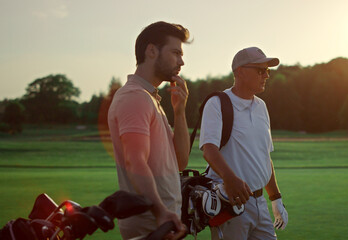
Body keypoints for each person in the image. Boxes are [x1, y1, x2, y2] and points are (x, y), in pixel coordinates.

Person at [108, 21, 190, 240]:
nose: (181, 61)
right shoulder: (135, 97)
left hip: (164, 224)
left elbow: (180, 161)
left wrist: (180, 112)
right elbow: (134, 161)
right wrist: (161, 212)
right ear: (152, 50)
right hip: (151, 226)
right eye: (175, 53)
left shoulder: (151, 99)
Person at [199, 47, 289, 240]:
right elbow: (209, 150)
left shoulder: (261, 107)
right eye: (260, 70)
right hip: (231, 203)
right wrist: (230, 179)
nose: (266, 75)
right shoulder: (217, 103)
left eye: (267, 71)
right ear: (239, 71)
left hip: (260, 203)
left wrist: (275, 198)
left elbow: (264, 157)